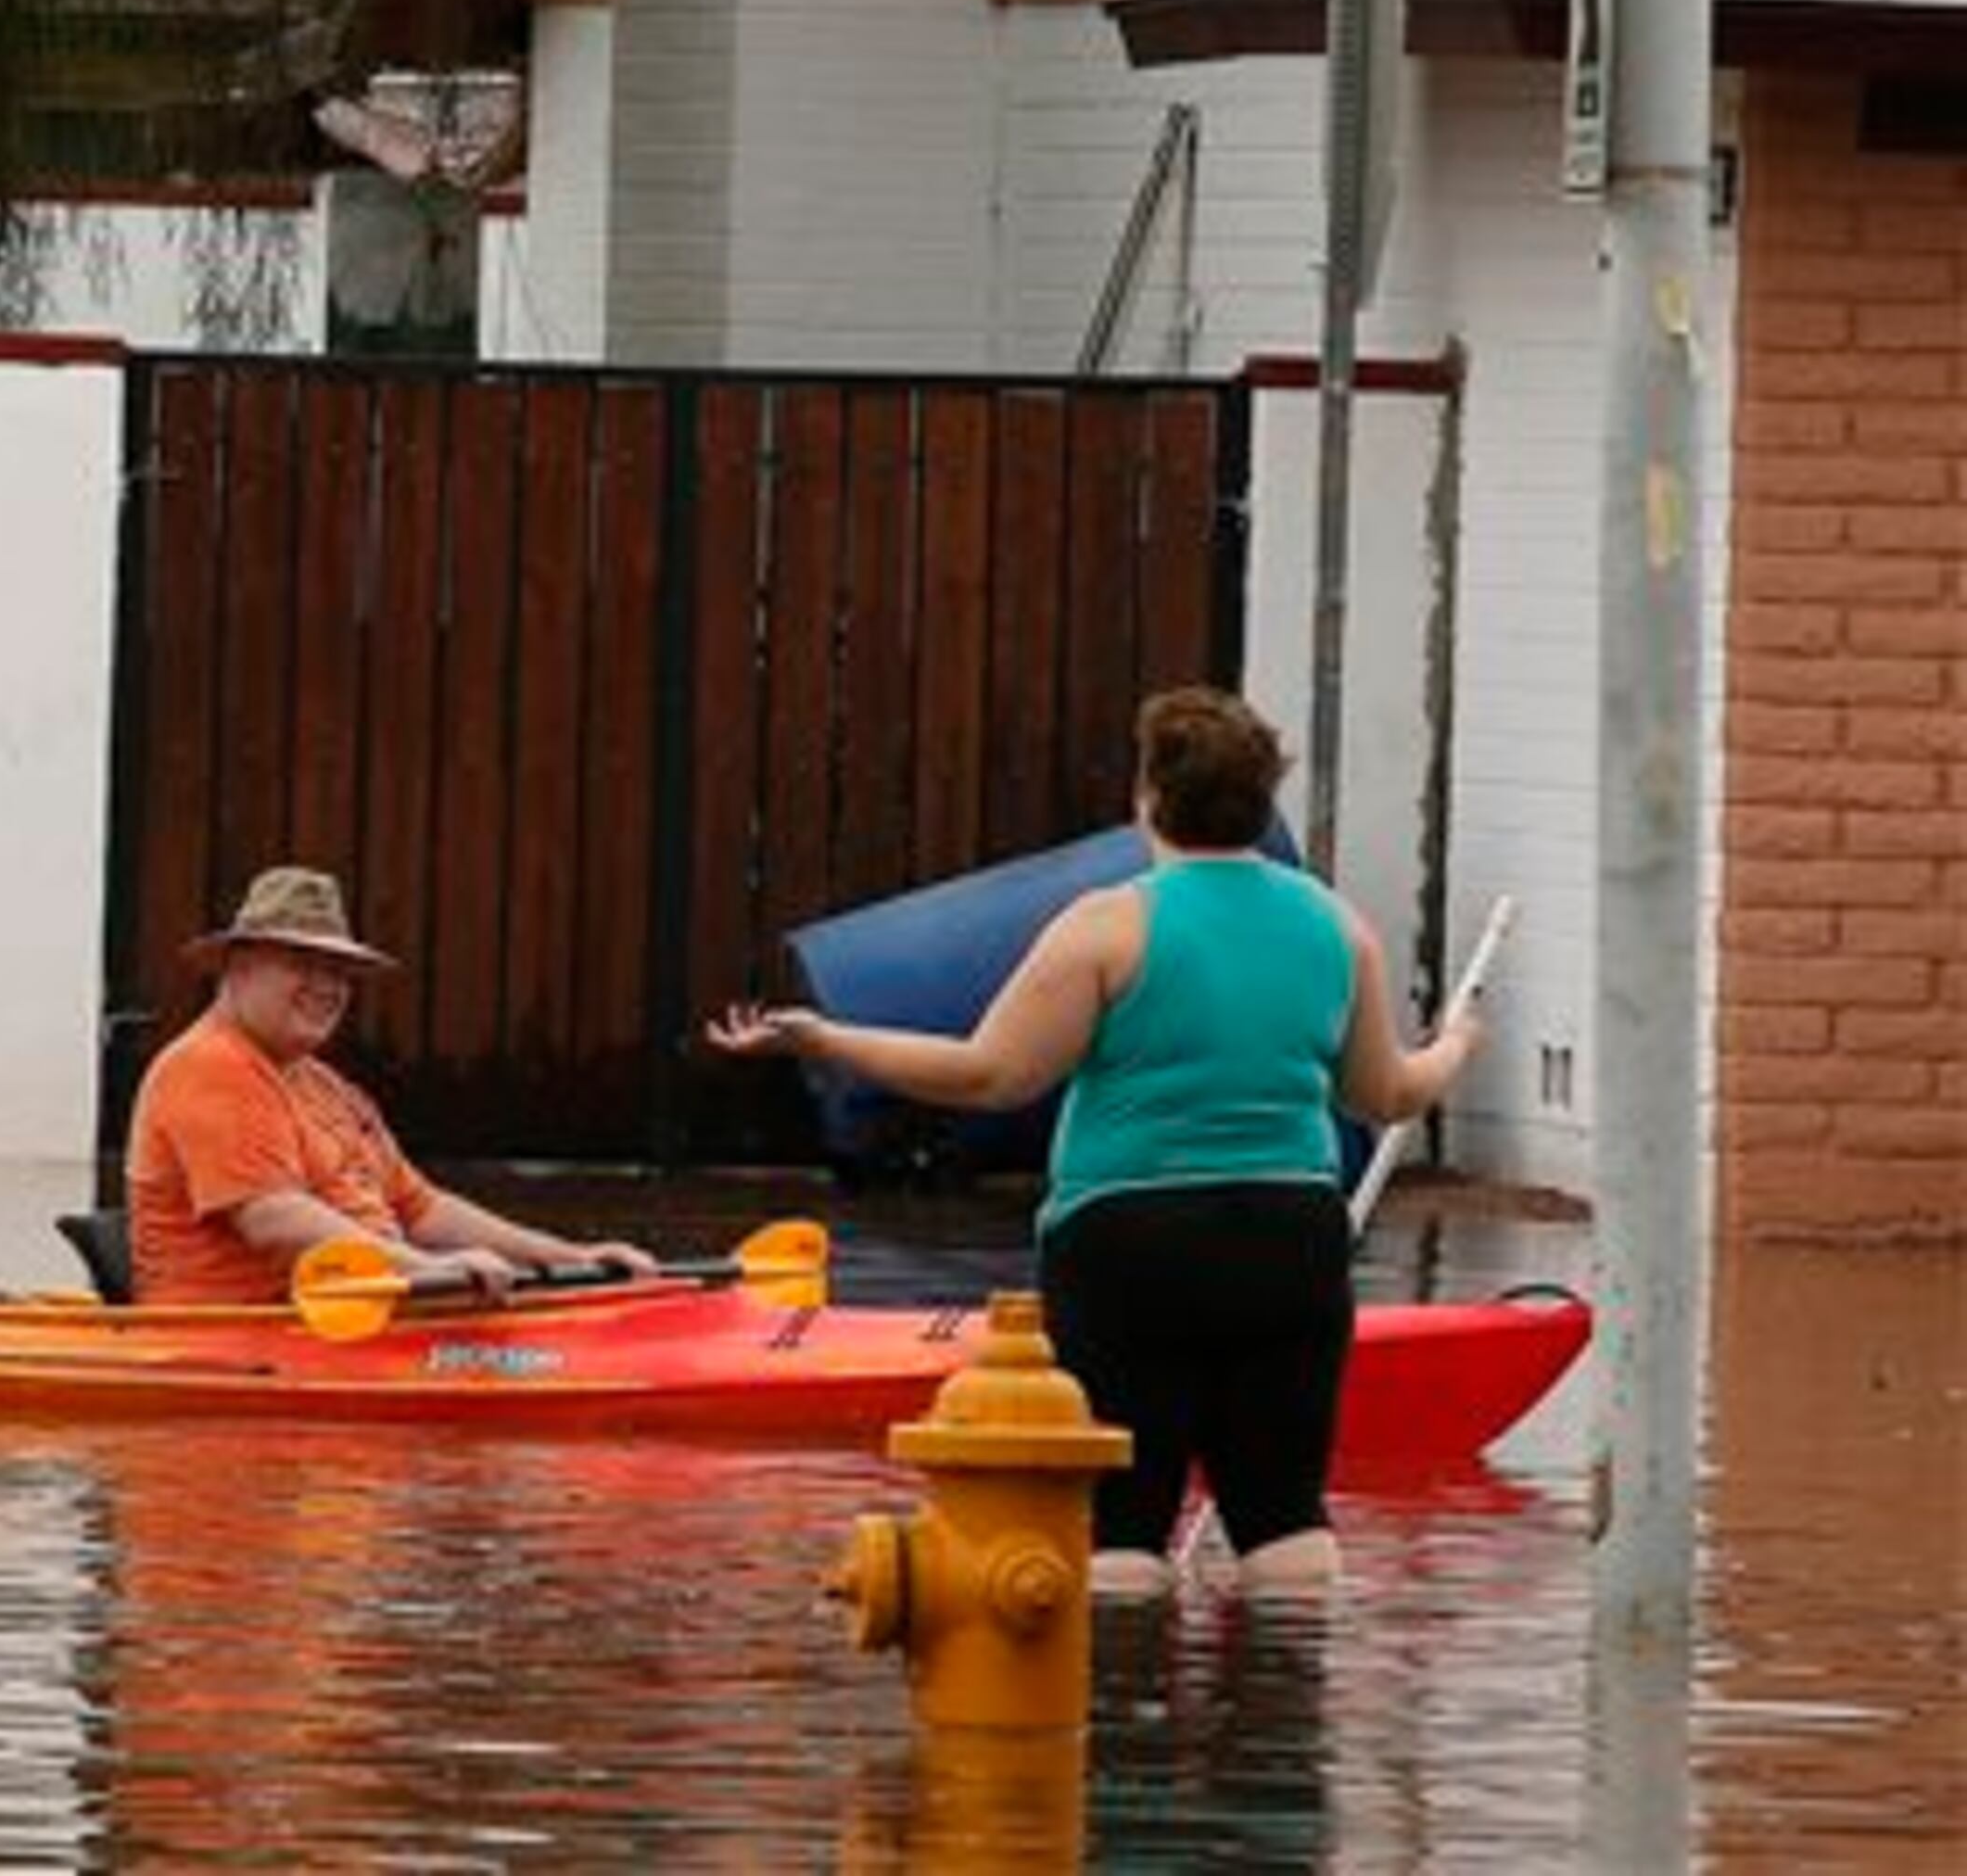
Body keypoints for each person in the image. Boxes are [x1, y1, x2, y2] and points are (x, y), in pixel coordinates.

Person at [704, 686, 1478, 1600]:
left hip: (1128, 1244)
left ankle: (1127, 1726)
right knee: (1284, 1520)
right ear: (1263, 801)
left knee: (1123, 1525)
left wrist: (824, 1037)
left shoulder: (1108, 926)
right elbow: (1385, 1093)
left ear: (1148, 797)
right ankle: (1282, 1731)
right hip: (1289, 1238)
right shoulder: (1336, 928)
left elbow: (988, 1075)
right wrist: (1456, 1045)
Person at [126, 865, 659, 1308]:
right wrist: (427, 1269)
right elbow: (272, 1218)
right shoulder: (209, 1066)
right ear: (237, 968)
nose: (326, 986)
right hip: (251, 1334)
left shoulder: (325, 1085)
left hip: (363, 1314)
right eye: (301, 962)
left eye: (337, 970)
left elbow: (421, 1209)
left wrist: (570, 1257)